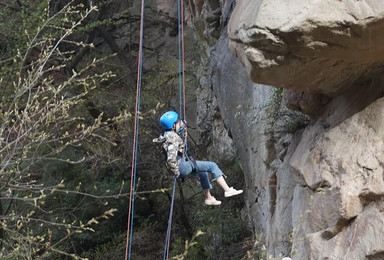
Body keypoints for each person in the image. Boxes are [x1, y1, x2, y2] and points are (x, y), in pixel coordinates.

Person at [153, 111, 243, 206]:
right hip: (181, 166)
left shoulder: (166, 134)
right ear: (173, 126)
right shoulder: (172, 138)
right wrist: (177, 172)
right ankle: (227, 190)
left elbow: (177, 132)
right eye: (178, 122)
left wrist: (182, 125)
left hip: (180, 165)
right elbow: (171, 159)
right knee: (212, 166)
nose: (180, 123)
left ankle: (208, 198)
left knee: (202, 172)